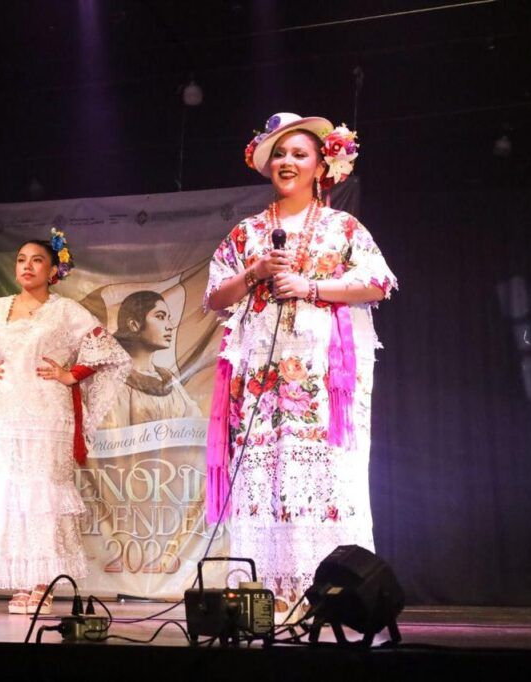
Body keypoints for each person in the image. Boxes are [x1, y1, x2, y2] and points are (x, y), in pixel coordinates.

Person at [204, 113, 397, 614]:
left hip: (320, 375)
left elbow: (379, 283)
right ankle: (265, 592)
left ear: (320, 166)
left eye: (299, 154)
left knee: (323, 475)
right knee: (264, 476)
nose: (288, 162)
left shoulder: (343, 227)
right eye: (280, 154)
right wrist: (256, 272)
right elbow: (213, 297)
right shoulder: (246, 233)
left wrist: (312, 287)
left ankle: (330, 594)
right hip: (259, 378)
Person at [0, 229, 130, 614]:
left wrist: (71, 374)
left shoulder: (66, 311)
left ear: (53, 270)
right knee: (9, 497)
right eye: (21, 260)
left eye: (37, 260)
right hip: (6, 414)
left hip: (48, 414)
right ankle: (21, 581)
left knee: (43, 494)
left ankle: (43, 582)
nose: (27, 266)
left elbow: (107, 351)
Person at [107, 290, 201, 427]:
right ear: (134, 325)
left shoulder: (169, 380)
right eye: (160, 317)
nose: (169, 326)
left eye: (168, 318)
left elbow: (195, 422)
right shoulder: (114, 380)